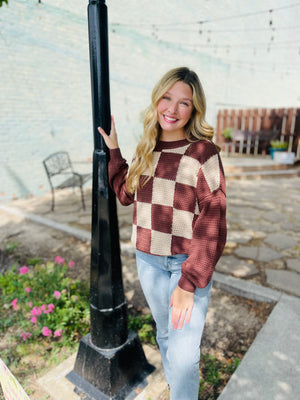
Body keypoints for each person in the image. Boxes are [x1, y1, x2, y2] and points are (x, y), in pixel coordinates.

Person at [98, 66, 227, 400]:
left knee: (184, 357)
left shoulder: (203, 153)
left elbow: (214, 218)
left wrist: (189, 281)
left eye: (184, 103)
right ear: (156, 100)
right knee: (167, 335)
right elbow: (125, 194)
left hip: (186, 264)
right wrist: (114, 150)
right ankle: (176, 392)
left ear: (194, 110)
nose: (172, 109)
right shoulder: (148, 149)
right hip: (149, 261)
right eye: (166, 98)